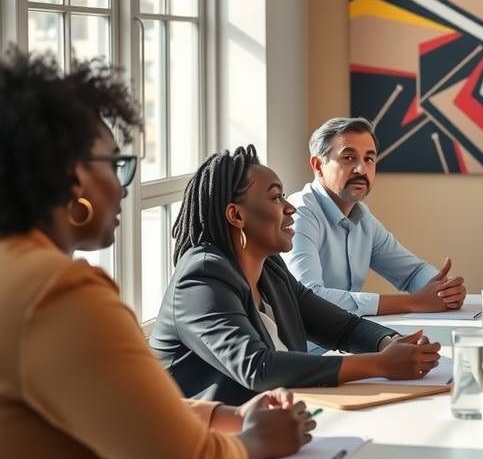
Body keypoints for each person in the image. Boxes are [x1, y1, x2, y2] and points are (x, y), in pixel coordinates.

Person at [0, 49, 313, 459]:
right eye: (117, 165)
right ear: (74, 176)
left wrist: (227, 417)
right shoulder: (62, 294)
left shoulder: (17, 275)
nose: (125, 189)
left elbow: (112, 404)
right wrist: (256, 443)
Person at [150, 145, 441, 406]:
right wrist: (380, 364)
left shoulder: (270, 268)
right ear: (236, 215)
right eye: (276, 197)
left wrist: (390, 342)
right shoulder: (201, 278)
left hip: (272, 423)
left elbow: (340, 327)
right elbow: (258, 368)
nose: (290, 207)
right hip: (205, 439)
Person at [283, 117, 467, 316]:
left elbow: (412, 273)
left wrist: (444, 290)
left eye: (369, 159)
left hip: (347, 332)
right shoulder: (299, 214)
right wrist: (414, 303)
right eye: (349, 158)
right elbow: (309, 298)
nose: (362, 169)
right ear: (318, 165)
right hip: (307, 336)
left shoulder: (362, 218)